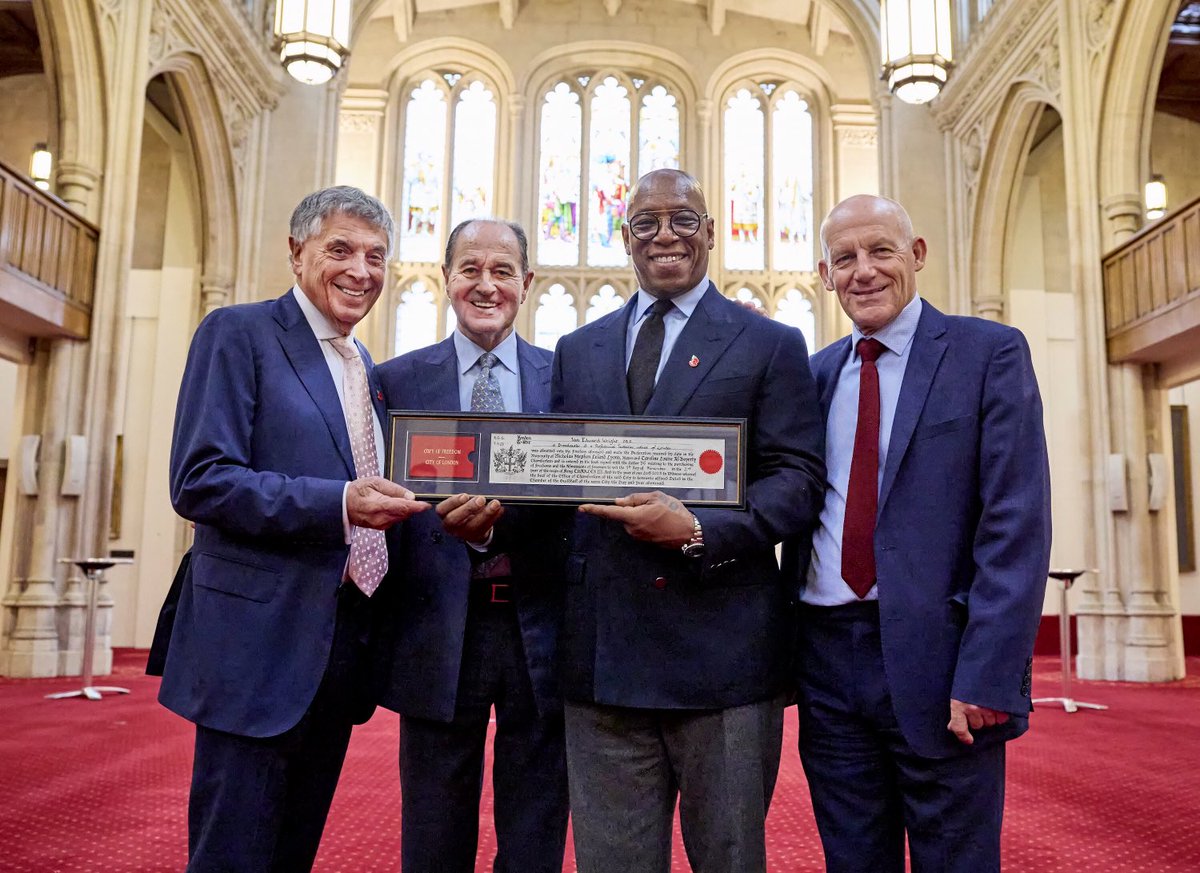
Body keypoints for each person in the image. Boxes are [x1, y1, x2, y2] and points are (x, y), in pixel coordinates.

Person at [551, 168, 826, 872]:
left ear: (710, 232)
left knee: (729, 859)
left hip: (723, 661)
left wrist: (701, 530)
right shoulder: (576, 350)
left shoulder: (771, 344)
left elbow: (797, 482)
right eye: (646, 222)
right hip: (603, 660)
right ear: (626, 238)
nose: (665, 233)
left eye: (683, 218)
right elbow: (557, 487)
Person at [159, 185, 429, 872]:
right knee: (233, 853)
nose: (359, 270)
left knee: (291, 851)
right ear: (296, 251)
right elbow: (201, 479)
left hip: (337, 645)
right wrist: (339, 502)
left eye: (375, 256)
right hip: (256, 646)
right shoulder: (239, 333)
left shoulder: (364, 367)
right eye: (340, 249)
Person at [785, 194, 1051, 873]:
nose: (863, 271)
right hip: (826, 666)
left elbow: (1014, 522)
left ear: (918, 255)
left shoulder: (986, 353)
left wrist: (990, 672)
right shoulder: (811, 378)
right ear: (825, 274)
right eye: (844, 258)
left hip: (944, 665)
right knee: (852, 859)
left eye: (880, 250)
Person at [373, 218, 569, 872]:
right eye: (470, 270)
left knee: (536, 829)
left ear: (528, 282)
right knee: (432, 831)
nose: (486, 285)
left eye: (503, 271)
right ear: (446, 278)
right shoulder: (396, 382)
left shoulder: (565, 380)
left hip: (539, 629)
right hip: (435, 628)